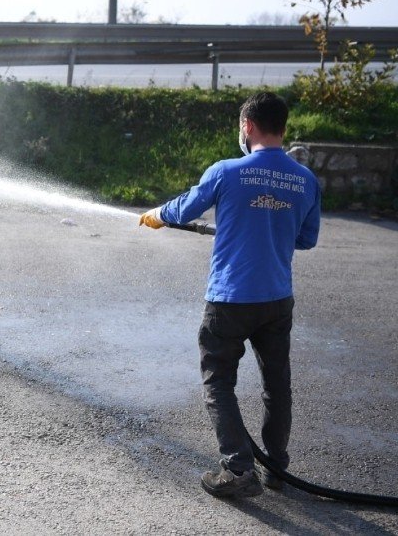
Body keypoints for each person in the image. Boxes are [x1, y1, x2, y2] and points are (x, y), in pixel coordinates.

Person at [138, 91, 321, 499]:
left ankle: (239, 469)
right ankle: (276, 469)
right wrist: (271, 224)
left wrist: (157, 215)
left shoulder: (226, 171)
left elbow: (186, 209)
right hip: (277, 299)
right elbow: (306, 239)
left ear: (247, 127)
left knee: (218, 381)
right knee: (277, 385)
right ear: (283, 129)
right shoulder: (305, 180)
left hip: (230, 300)